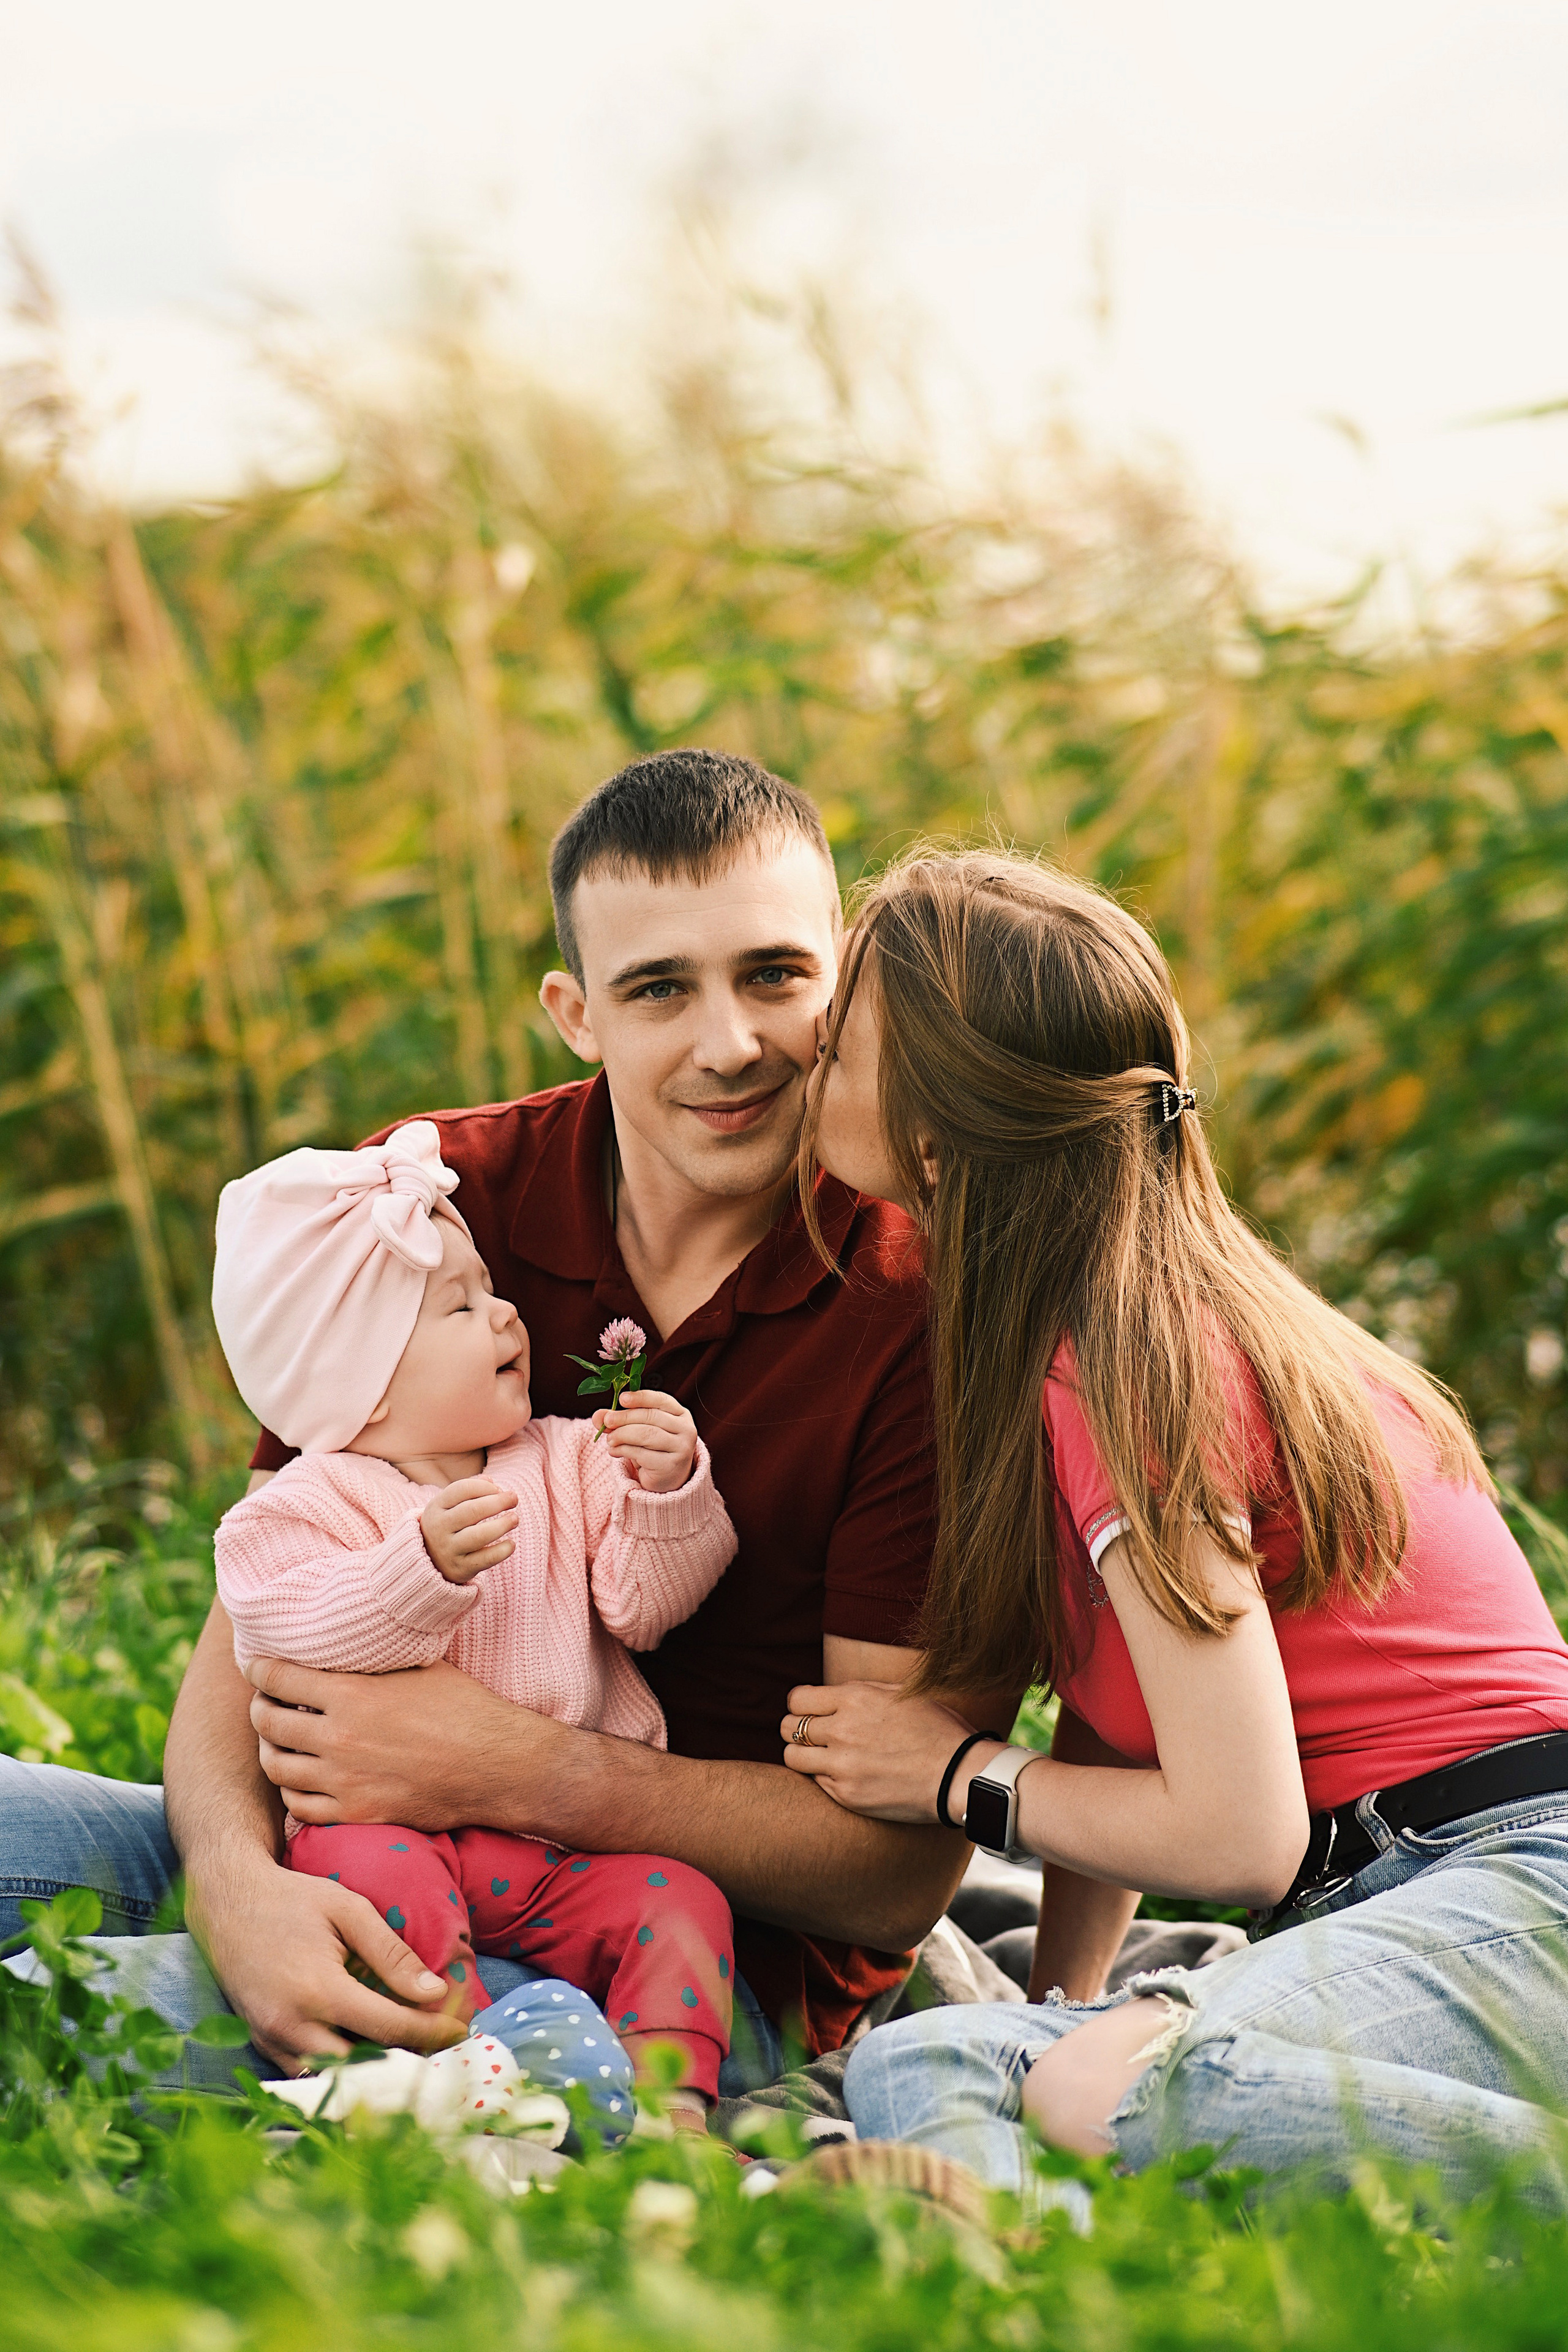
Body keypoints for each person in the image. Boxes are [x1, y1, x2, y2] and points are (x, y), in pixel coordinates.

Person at [1, 750, 1000, 2092]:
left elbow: (888, 1876)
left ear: (841, 974)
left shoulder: (920, 1315)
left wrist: (520, 1770)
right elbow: (251, 1626)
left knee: (50, 2015)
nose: (729, 1044)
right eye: (658, 988)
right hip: (335, 1855)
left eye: (773, 974)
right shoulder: (428, 1200)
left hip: (668, 1966)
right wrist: (238, 1887)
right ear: (573, 1012)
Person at [780, 846, 1568, 2205]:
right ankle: (1029, 2262)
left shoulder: (1123, 1365)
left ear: (929, 1137)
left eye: (836, 1049)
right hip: (1431, 1897)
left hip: (1505, 1890)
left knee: (989, 2076)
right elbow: (1123, 1721)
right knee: (963, 2070)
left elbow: (1236, 1836)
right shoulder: (1114, 1317)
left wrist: (952, 1772)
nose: (804, 1071)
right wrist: (1061, 1997)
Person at [209, 1117, 737, 2128]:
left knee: (685, 1902)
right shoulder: (302, 1506)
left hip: (561, 1851)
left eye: (490, 1290)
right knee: (366, 1870)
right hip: (393, 1832)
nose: (505, 1319)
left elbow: (645, 1606)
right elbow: (285, 1627)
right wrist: (416, 1573)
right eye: (460, 1306)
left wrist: (669, 1497)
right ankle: (468, 2062)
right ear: (357, 1387)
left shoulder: (566, 1458)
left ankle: (675, 2121)